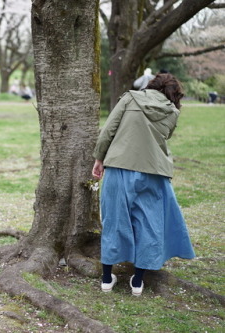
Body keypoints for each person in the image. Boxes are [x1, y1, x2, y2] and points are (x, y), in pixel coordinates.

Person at [91, 73, 195, 296]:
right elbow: (163, 136)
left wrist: (99, 159)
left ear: (151, 85)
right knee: (149, 224)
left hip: (119, 167)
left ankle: (107, 278)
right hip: (153, 172)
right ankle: (137, 282)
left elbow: (108, 130)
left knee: (114, 221)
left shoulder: (130, 98)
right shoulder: (173, 112)